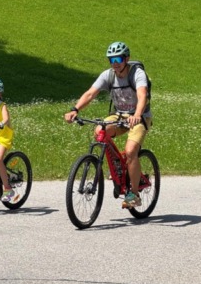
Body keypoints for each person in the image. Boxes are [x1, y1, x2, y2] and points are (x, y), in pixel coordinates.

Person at [64, 41, 152, 209]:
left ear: (126, 59)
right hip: (119, 115)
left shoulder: (137, 74)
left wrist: (137, 115)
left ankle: (134, 194)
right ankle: (118, 166)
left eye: (118, 59)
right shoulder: (108, 75)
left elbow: (142, 95)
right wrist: (75, 109)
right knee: (99, 131)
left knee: (131, 151)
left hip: (139, 117)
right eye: (111, 60)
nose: (115, 63)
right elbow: (90, 94)